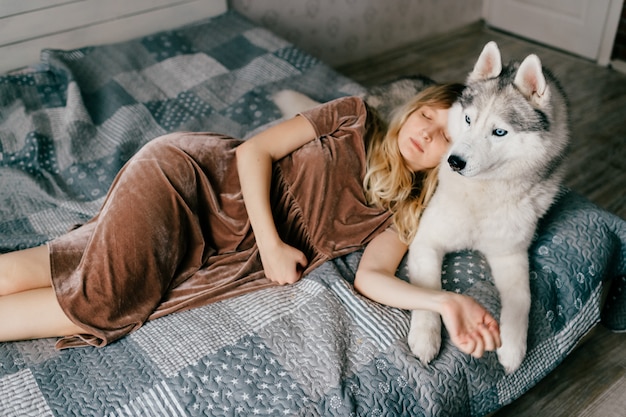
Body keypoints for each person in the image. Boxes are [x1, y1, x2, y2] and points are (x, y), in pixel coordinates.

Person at [0, 83, 500, 358]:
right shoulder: (354, 116)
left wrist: (442, 300)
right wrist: (271, 244)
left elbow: (373, 279)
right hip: (192, 180)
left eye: (444, 136)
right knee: (104, 299)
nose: (426, 132)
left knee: (73, 260)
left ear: (453, 158)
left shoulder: (399, 216)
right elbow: (255, 150)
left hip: (213, 246)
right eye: (427, 116)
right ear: (414, 109)